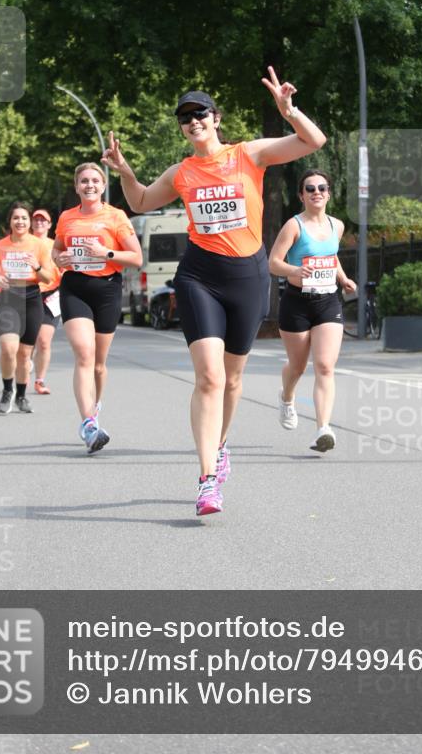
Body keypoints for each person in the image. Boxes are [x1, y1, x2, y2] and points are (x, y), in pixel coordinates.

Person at [102, 67, 326, 516]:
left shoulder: (249, 155)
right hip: (199, 276)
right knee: (209, 377)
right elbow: (141, 202)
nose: (193, 122)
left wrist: (289, 110)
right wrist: (126, 172)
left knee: (233, 378)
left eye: (199, 113)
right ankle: (207, 480)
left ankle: (221, 445)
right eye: (185, 117)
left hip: (247, 276)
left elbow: (312, 142)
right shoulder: (183, 172)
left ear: (216, 118)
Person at [53, 163, 143, 453]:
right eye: (83, 181)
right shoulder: (67, 217)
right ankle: (88, 424)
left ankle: (95, 406)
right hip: (74, 288)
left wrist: (107, 253)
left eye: (94, 181)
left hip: (107, 290)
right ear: (76, 186)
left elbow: (136, 258)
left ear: (103, 186)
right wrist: (59, 259)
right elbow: (56, 249)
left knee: (99, 365)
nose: (89, 185)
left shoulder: (116, 216)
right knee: (84, 355)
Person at [268, 169, 356, 453]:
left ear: (329, 193)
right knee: (297, 366)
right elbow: (273, 262)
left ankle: (323, 429)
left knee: (325, 366)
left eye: (321, 187)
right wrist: (296, 270)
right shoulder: (294, 226)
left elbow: (330, 256)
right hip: (297, 302)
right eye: (310, 188)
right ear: (301, 195)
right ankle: (287, 397)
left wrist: (342, 278)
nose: (316, 192)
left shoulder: (337, 226)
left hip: (328, 300)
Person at [0, 202, 53, 414]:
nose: (20, 222)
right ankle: (7, 390)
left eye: (24, 218)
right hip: (8, 297)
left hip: (32, 297)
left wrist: (36, 266)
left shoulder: (39, 245)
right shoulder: (0, 245)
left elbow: (48, 276)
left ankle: (21, 396)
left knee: (24, 354)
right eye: (16, 218)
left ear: (29, 222)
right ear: (10, 221)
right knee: (8, 348)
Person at [30, 209, 62, 394]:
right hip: (28, 294)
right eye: (36, 220)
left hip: (50, 296)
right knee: (28, 340)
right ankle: (26, 361)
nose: (40, 223)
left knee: (44, 341)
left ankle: (40, 381)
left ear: (50, 225)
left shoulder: (54, 246)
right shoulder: (25, 244)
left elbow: (64, 269)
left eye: (44, 220)